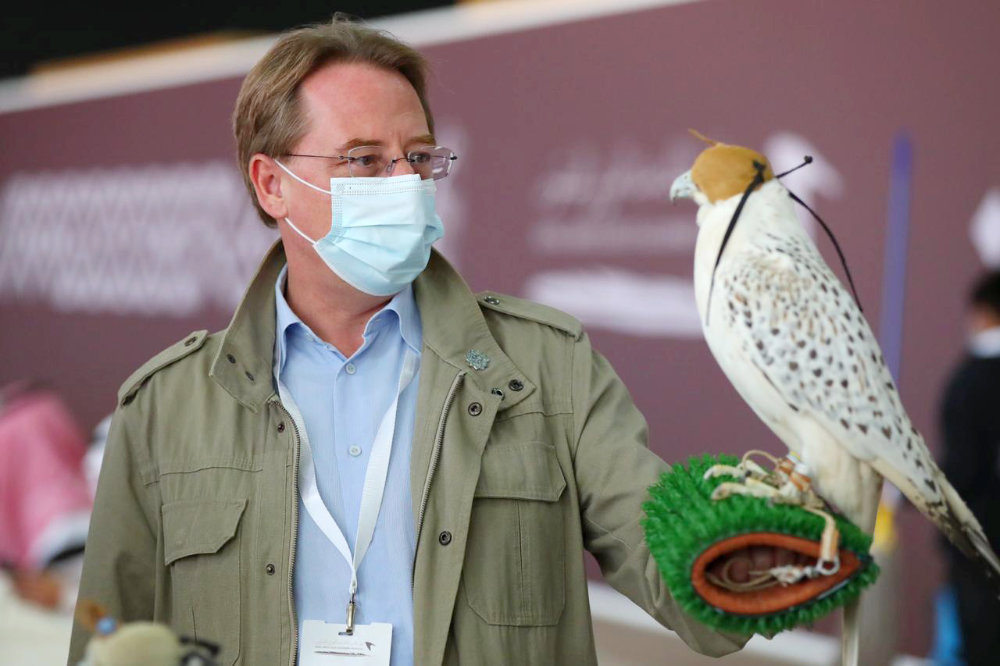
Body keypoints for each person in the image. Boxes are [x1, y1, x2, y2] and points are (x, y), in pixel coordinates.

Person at [68, 16, 755, 665]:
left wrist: (763, 551)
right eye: (364, 160)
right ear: (272, 184)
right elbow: (109, 638)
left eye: (418, 157)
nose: (404, 184)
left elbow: (680, 577)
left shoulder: (548, 367)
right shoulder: (165, 407)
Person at [938, 270, 1000, 666]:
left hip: (979, 536)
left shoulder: (972, 379)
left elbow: (962, 465)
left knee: (981, 644)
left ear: (982, 313)